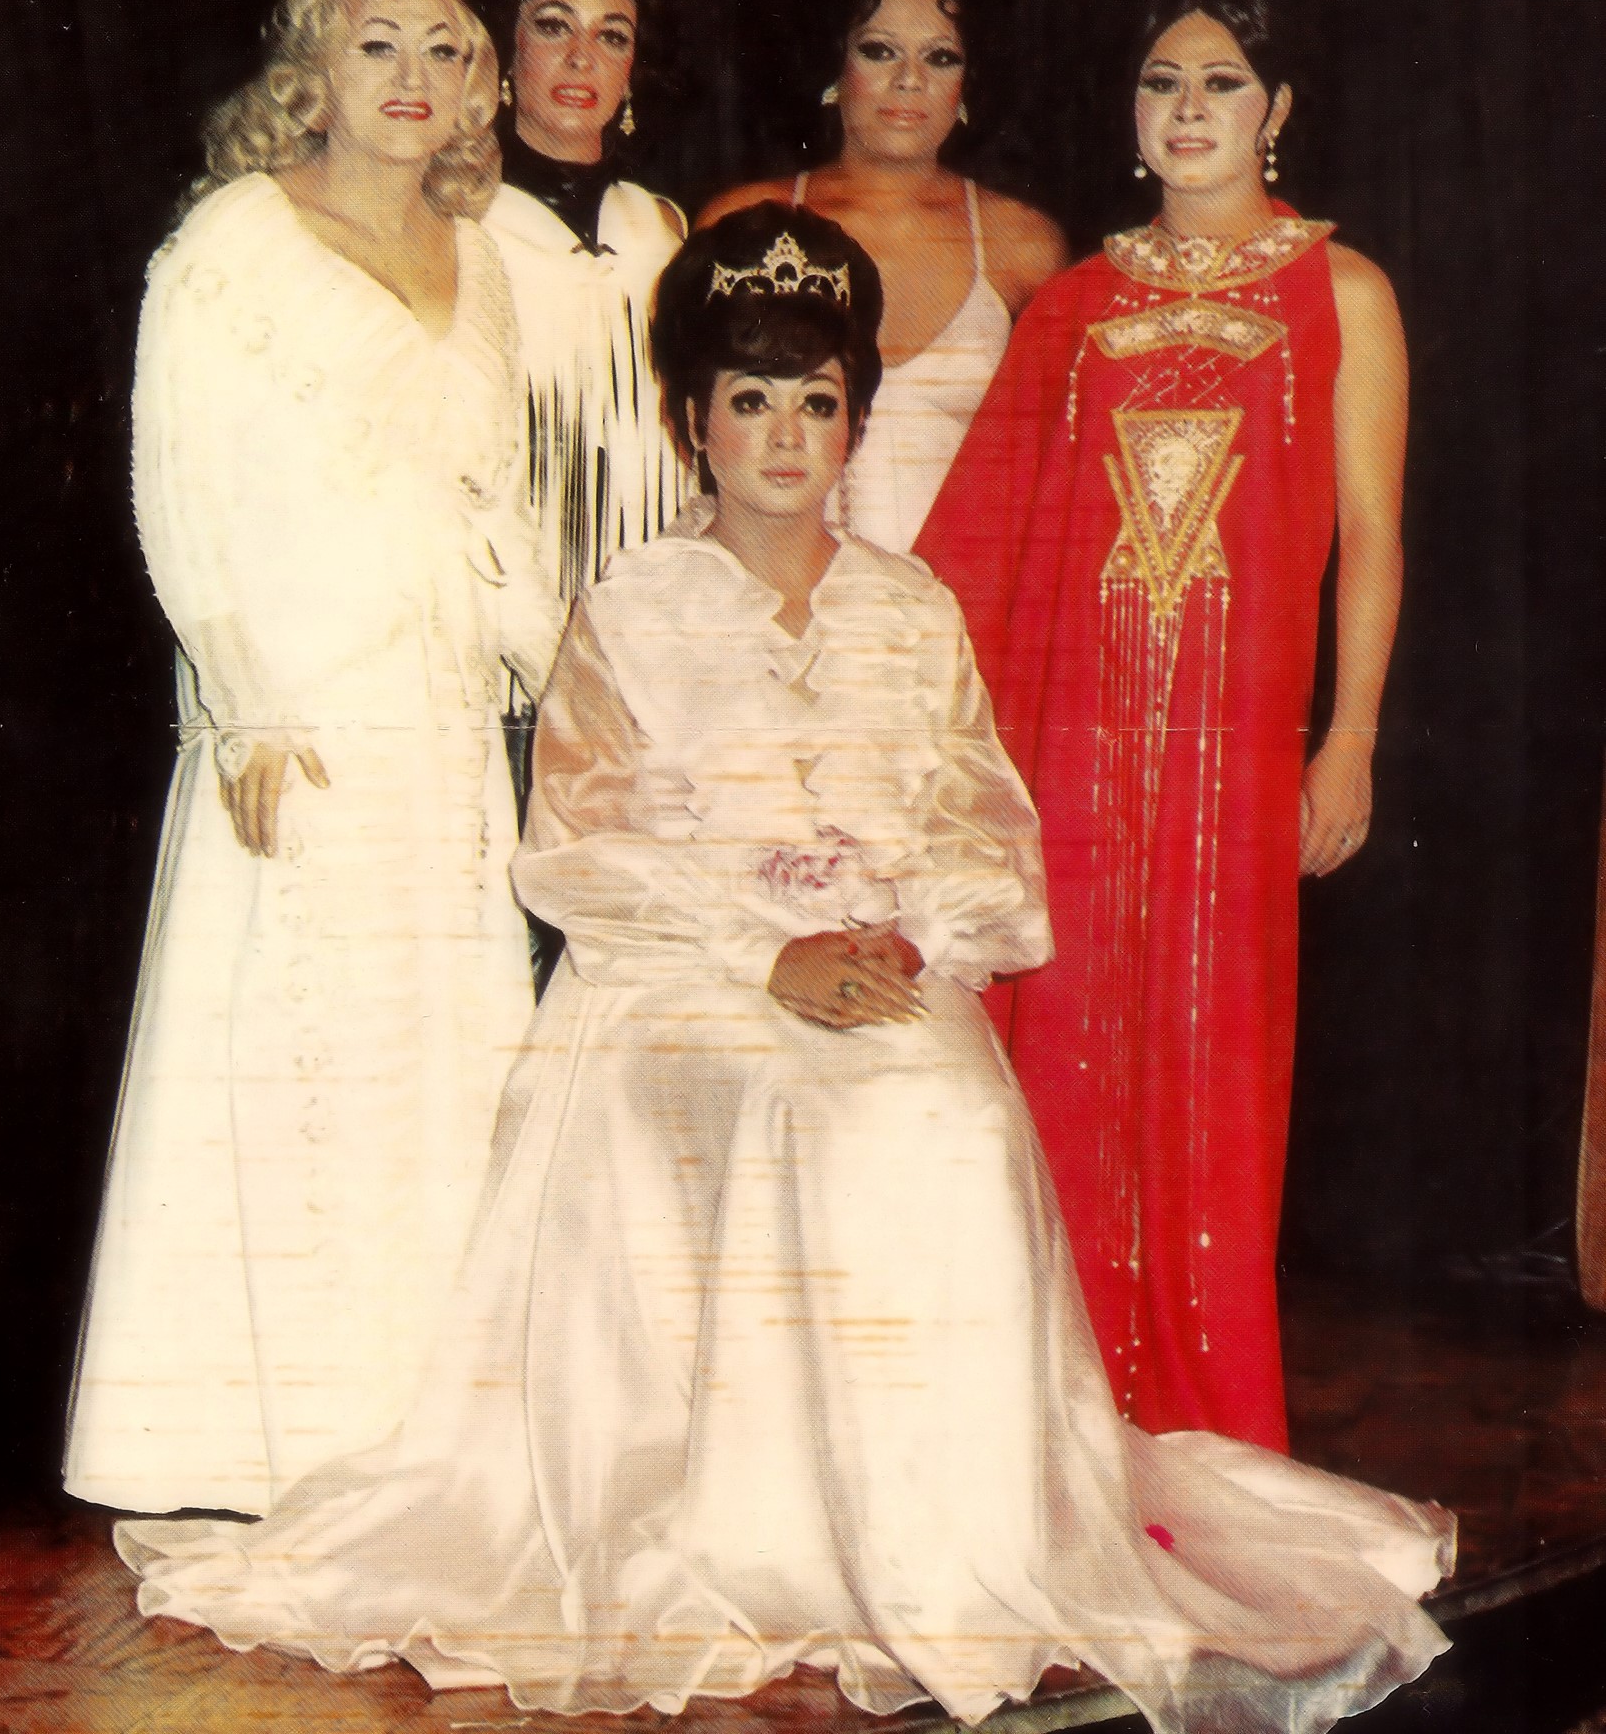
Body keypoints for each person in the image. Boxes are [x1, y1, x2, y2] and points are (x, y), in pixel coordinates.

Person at [117, 205, 1449, 1734]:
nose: (785, 433)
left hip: (880, 970)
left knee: (938, 1111)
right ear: (696, 421)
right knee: (783, 1111)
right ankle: (750, 1537)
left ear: (854, 424)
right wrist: (768, 950)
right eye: (751, 400)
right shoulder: (631, 607)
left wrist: (912, 937)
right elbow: (579, 846)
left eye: (816, 401)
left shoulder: (911, 608)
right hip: (678, 982)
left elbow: (984, 837)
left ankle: (948, 1542)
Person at [64, 0, 563, 1515]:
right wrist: (248, 698)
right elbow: (175, 481)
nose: (411, 79)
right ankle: (247, 1438)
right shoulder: (230, 246)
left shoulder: (481, 257)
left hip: (439, 728)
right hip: (301, 727)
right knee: (298, 1061)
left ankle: (415, 1427)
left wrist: (542, 665)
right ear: (313, 69)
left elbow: (488, 497)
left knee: (442, 1062)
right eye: (375, 45)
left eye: (442, 48)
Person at [918, 0, 1409, 1455]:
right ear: (1131, 118)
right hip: (1071, 753)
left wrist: (1351, 737)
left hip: (1238, 756)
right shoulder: (1071, 307)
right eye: (1160, 83)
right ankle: (1055, 1433)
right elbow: (977, 557)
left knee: (1214, 1067)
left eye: (1221, 82)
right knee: (1059, 1052)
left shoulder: (1345, 294)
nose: (1189, 109)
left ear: (1279, 111)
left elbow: (1373, 536)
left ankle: (1199, 1426)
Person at [699, 0, 1066, 552]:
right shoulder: (745, 222)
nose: (909, 80)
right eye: (879, 50)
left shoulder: (1021, 243)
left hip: (964, 608)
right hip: (779, 602)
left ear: (968, 84)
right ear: (834, 66)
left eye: (940, 57)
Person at [484, 0, 687, 607]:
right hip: (511, 601)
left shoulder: (662, 229)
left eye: (612, 35)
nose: (580, 59)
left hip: (650, 603)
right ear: (507, 51)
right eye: (552, 26)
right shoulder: (458, 221)